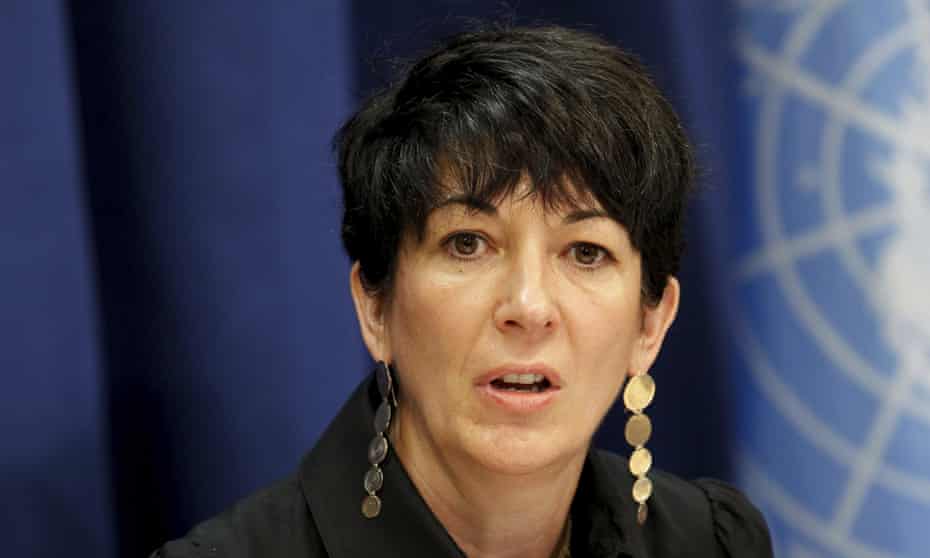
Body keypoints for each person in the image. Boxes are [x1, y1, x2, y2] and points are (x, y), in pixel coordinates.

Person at [152, 25, 773, 558]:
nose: (528, 307)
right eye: (467, 244)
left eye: (586, 252)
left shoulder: (711, 542)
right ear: (375, 306)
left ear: (651, 325)